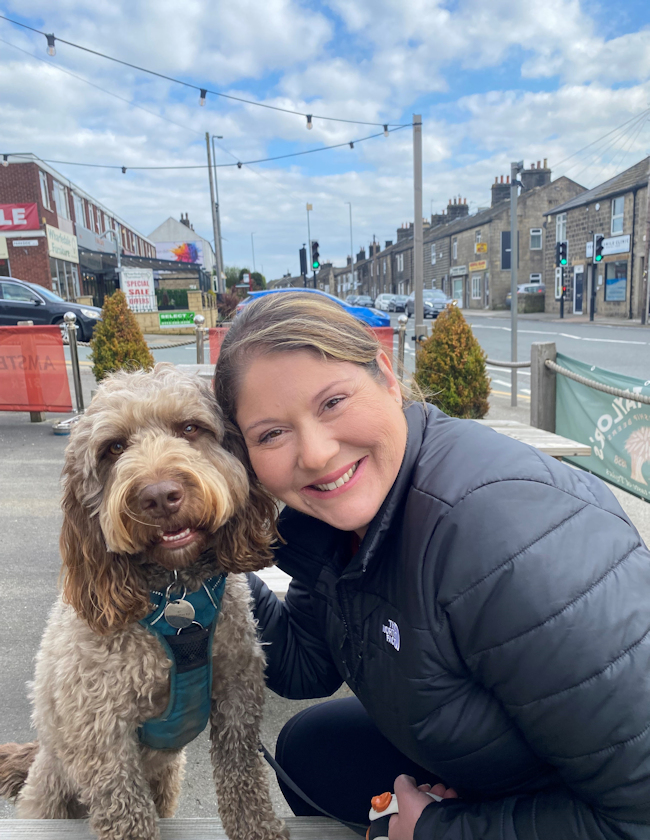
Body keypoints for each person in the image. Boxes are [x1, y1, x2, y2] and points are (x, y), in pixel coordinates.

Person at [214, 292, 650, 840]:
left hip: (601, 803)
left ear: (387, 378)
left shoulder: (502, 539)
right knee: (313, 747)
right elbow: (308, 665)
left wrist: (439, 830)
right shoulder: (342, 520)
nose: (317, 454)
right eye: (272, 434)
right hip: (500, 764)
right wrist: (205, 560)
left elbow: (640, 816)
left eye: (332, 402)